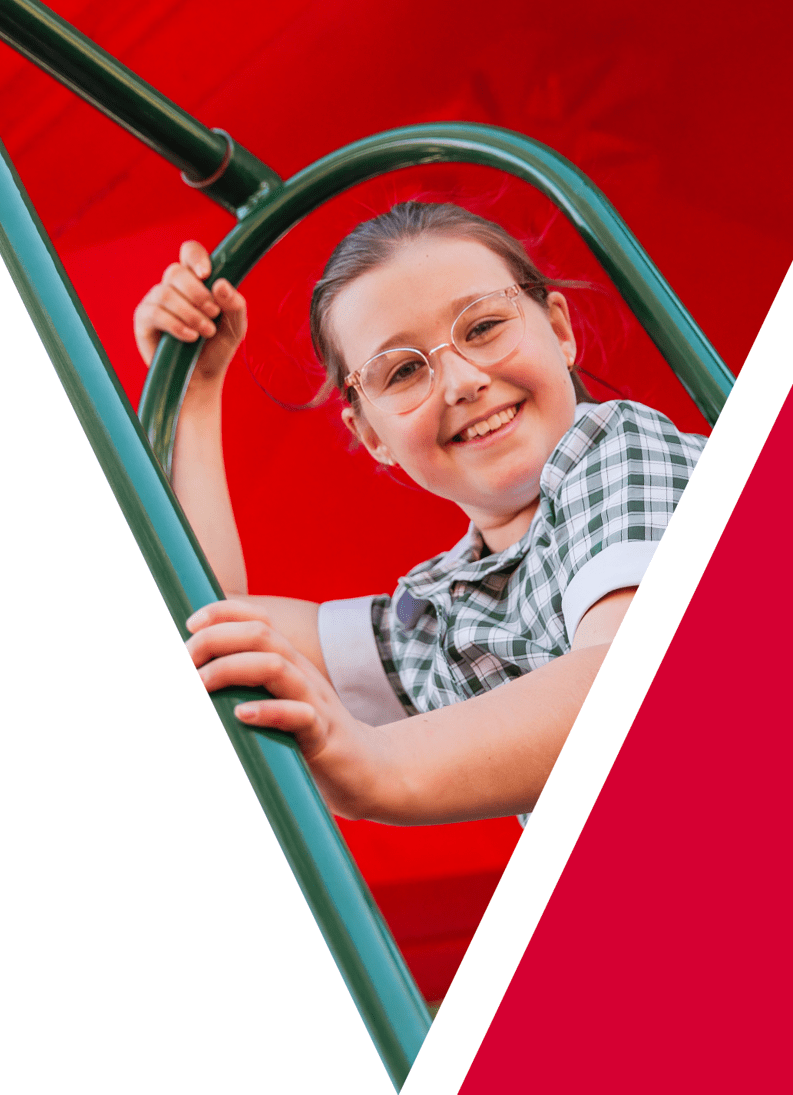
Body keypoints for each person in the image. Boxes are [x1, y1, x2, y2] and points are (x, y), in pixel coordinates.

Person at [132, 201, 704, 826]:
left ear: (560, 330)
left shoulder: (626, 449)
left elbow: (630, 680)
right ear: (371, 434)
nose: (461, 381)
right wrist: (194, 395)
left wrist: (377, 763)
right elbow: (211, 628)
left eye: (483, 327)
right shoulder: (441, 611)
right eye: (403, 371)